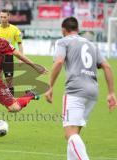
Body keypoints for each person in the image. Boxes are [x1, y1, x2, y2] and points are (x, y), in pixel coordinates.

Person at [45, 17, 117, 160]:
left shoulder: (63, 41)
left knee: (69, 133)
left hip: (75, 91)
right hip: (92, 92)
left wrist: (50, 86)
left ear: (63, 30)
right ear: (77, 29)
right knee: (75, 133)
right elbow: (107, 67)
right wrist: (111, 92)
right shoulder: (92, 45)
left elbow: (59, 61)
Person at [0, 9, 23, 96]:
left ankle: (11, 97)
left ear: (8, 17)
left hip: (8, 57)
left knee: (9, 78)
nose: (3, 19)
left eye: (4, 17)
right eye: (1, 17)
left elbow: (20, 44)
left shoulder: (15, 29)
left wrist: (20, 58)